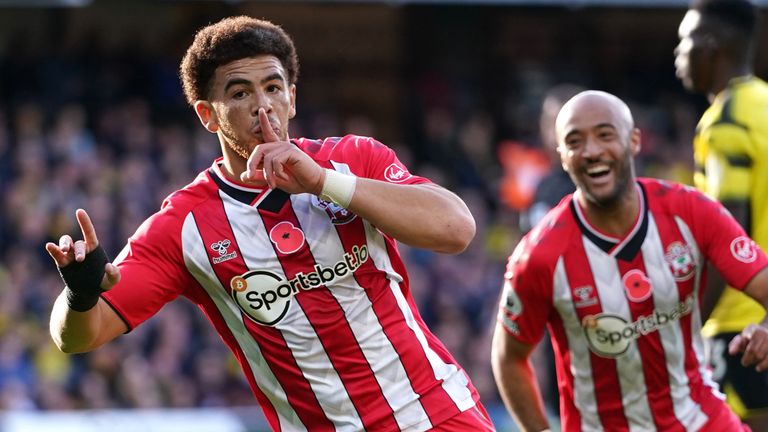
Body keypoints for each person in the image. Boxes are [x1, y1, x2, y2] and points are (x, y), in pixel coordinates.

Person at [45, 16, 495, 431]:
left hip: (435, 414)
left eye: (274, 88)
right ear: (207, 114)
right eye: (240, 93)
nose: (263, 107)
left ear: (292, 97)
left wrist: (322, 182)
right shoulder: (183, 226)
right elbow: (81, 336)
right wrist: (80, 294)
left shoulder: (354, 159)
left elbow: (457, 229)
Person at [490, 90, 768, 431]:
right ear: (562, 156)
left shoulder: (691, 212)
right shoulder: (538, 255)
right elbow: (508, 358)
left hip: (699, 418)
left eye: (605, 135)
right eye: (575, 141)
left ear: (634, 140)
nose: (592, 151)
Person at [674, 0, 768, 428]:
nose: (678, 54)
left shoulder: (725, 122)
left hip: (741, 328)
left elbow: (730, 237)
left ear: (710, 47)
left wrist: (685, 327)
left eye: (684, 41)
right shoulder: (764, 104)